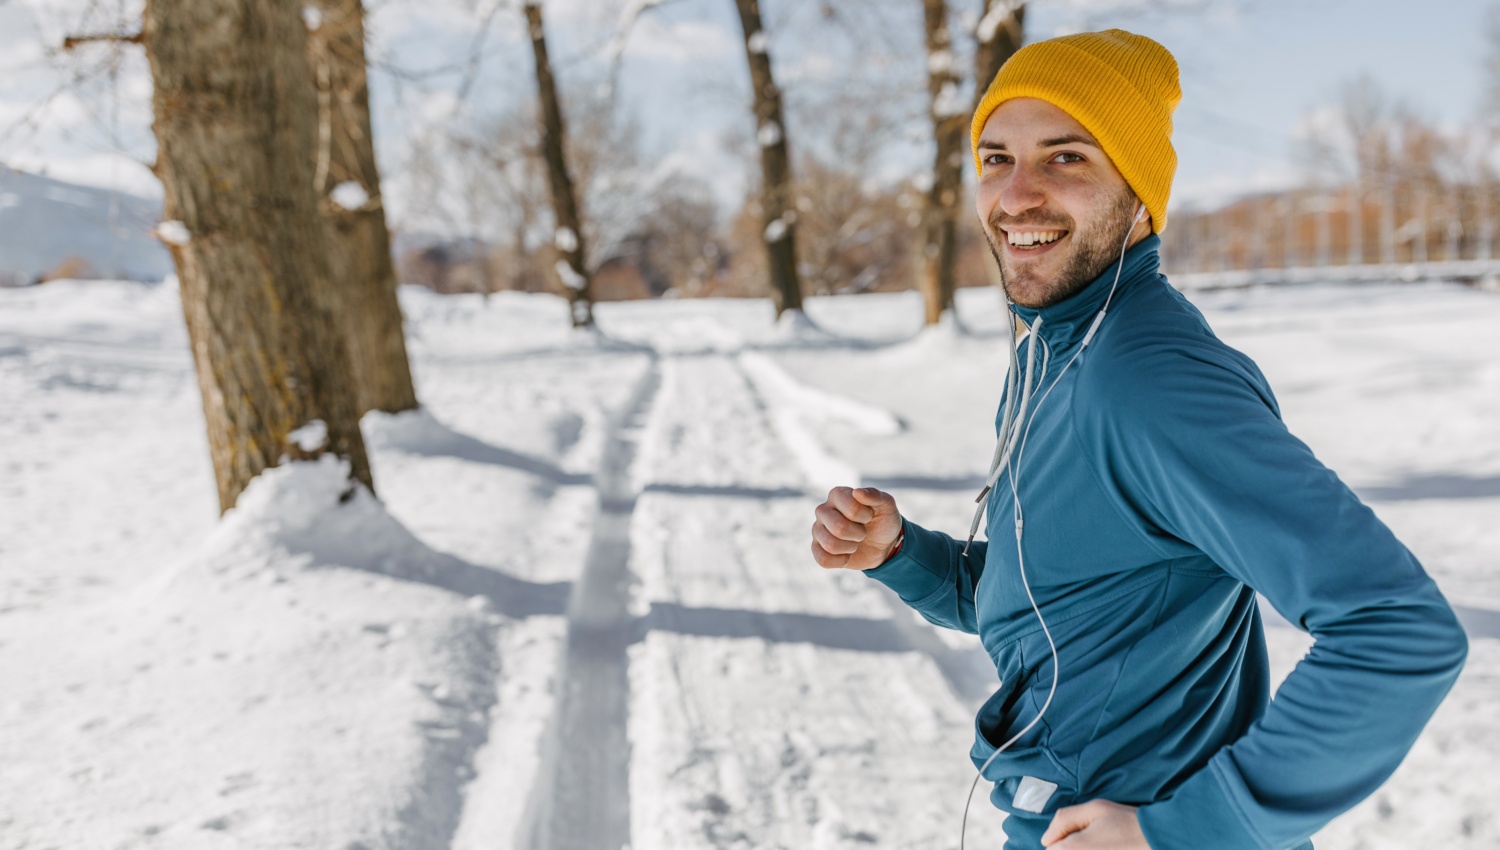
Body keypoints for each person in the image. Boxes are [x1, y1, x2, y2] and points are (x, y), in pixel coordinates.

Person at [809, 29, 1468, 850]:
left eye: (1066, 158)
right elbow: (1060, 607)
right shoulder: (1051, 356)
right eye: (995, 158)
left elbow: (1399, 629)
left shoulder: (1147, 381)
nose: (1015, 195)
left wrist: (1186, 830)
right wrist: (903, 553)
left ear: (1140, 191)